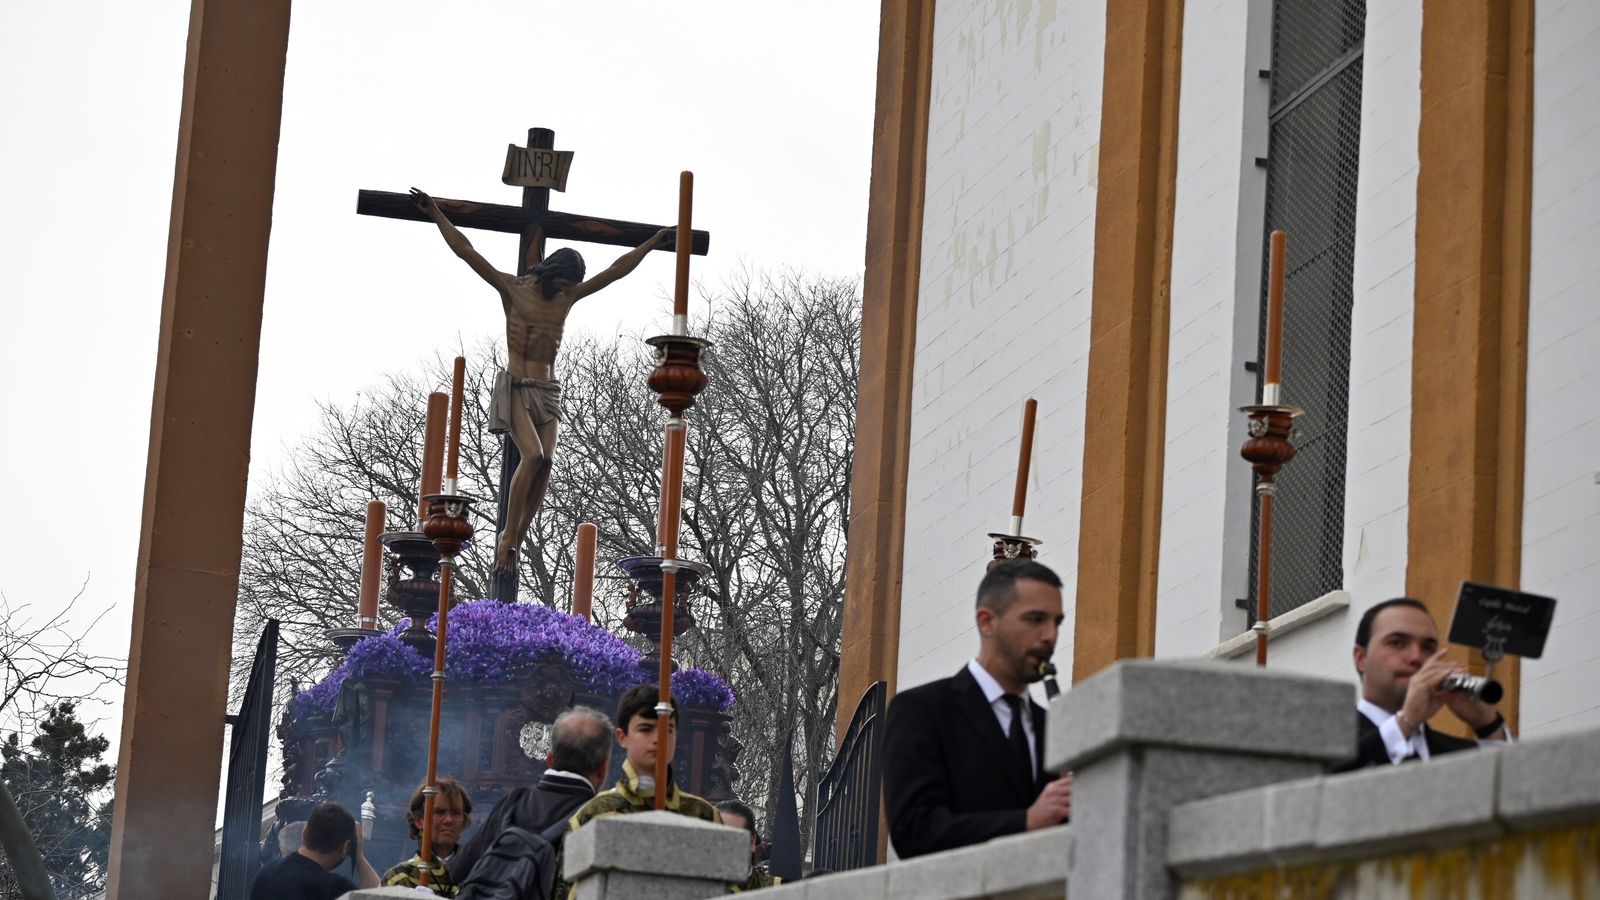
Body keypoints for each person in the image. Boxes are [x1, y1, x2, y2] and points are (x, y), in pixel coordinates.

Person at [411, 188, 675, 572]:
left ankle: (517, 538)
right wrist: (435, 211)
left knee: (547, 462)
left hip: (548, 392)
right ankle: (506, 534)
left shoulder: (565, 298)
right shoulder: (513, 290)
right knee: (532, 455)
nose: (571, 290)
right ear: (554, 274)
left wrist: (651, 243)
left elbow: (614, 271)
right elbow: (467, 251)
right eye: (567, 283)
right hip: (518, 387)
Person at [883, 559, 1073, 858]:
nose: (1050, 636)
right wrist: (1026, 822)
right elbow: (914, 832)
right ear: (987, 622)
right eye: (1035, 619)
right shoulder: (921, 711)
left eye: (1057, 622)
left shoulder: (1054, 726)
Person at [552, 684, 720, 899]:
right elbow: (565, 891)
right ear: (622, 737)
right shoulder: (593, 815)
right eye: (646, 729)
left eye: (668, 729)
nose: (658, 738)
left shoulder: (703, 816)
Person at [1337, 597, 1512, 770]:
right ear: (1361, 658)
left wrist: (1489, 727)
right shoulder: (1324, 736)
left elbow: (1515, 789)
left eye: (1428, 647)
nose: (1416, 657)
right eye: (1397, 643)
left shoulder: (1458, 754)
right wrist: (1406, 722)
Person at [448, 705, 615, 883]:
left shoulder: (513, 802)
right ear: (603, 768)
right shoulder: (603, 817)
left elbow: (458, 871)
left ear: (549, 759)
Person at [249, 802, 379, 899]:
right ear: (345, 847)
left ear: (304, 832)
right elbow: (384, 896)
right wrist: (359, 856)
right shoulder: (335, 889)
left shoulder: (266, 874)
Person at [381, 777, 474, 895]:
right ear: (419, 820)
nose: (449, 820)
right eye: (440, 812)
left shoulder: (477, 874)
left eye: (456, 813)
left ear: (463, 822)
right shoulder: (399, 878)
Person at [715, 799, 781, 892]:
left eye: (732, 838)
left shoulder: (774, 889)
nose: (721, 845)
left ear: (751, 843)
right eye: (715, 836)